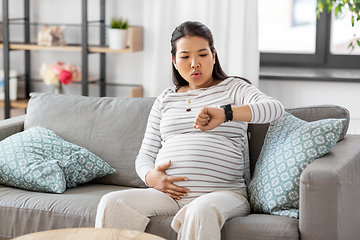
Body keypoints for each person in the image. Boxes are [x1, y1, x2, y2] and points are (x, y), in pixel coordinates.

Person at [95, 21, 284, 240]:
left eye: (202, 54)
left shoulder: (233, 88)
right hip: (168, 195)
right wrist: (151, 177)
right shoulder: (165, 99)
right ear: (174, 61)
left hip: (224, 194)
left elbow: (274, 109)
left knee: (200, 210)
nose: (195, 63)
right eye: (185, 57)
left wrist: (226, 114)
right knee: (112, 202)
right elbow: (145, 155)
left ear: (213, 55)